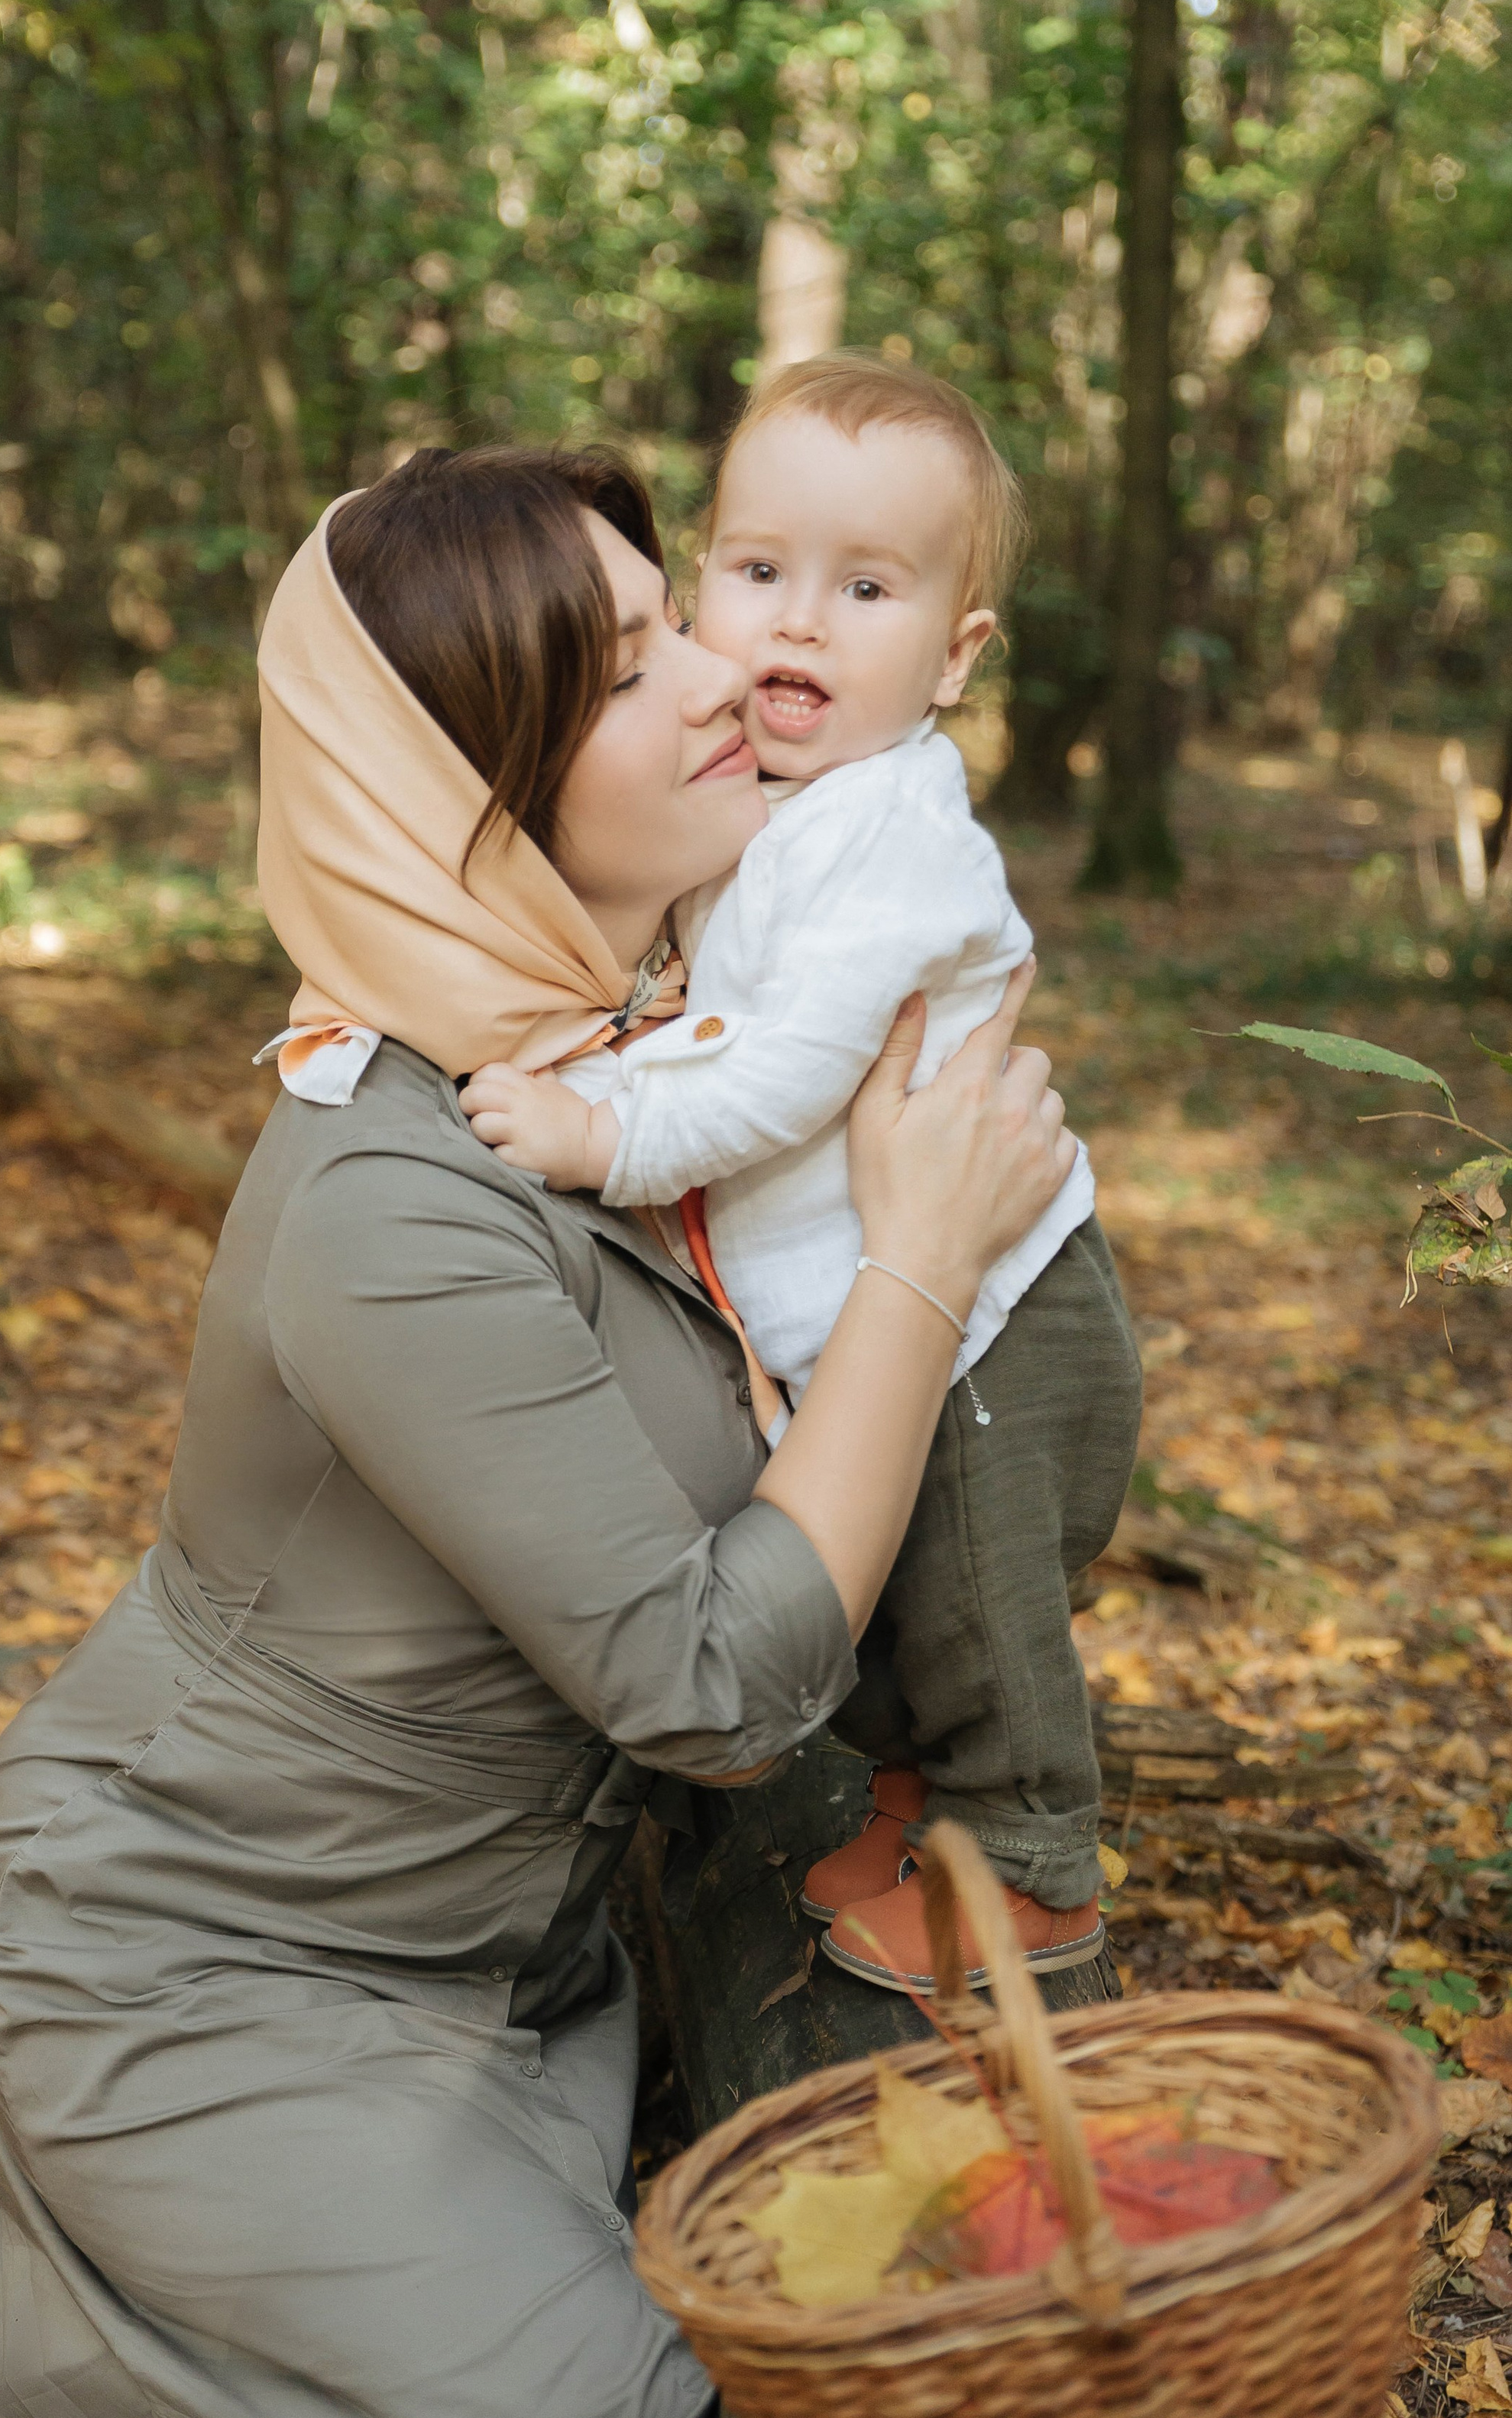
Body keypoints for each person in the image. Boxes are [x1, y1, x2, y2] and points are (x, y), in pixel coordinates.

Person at [0, 442, 1080, 2418]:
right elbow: (717, 1683)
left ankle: (150, 2232)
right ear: (469, 795)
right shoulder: (394, 1194)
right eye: (639, 663)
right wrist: (924, 1266)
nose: (731, 668)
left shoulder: (614, 1056)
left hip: (493, 1959)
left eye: (692, 615)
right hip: (215, 1942)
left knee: (693, 2337)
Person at [460, 360, 1143, 1992]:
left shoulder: (883, 839)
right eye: (759, 572)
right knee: (891, 1592)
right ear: (698, 584)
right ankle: (915, 1808)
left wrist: (597, 1130)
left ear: (954, 656)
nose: (798, 626)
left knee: (974, 1603)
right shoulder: (770, 807)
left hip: (993, 1316)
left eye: (865, 589)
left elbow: (774, 1071)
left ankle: (1031, 1855)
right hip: (874, 1314)